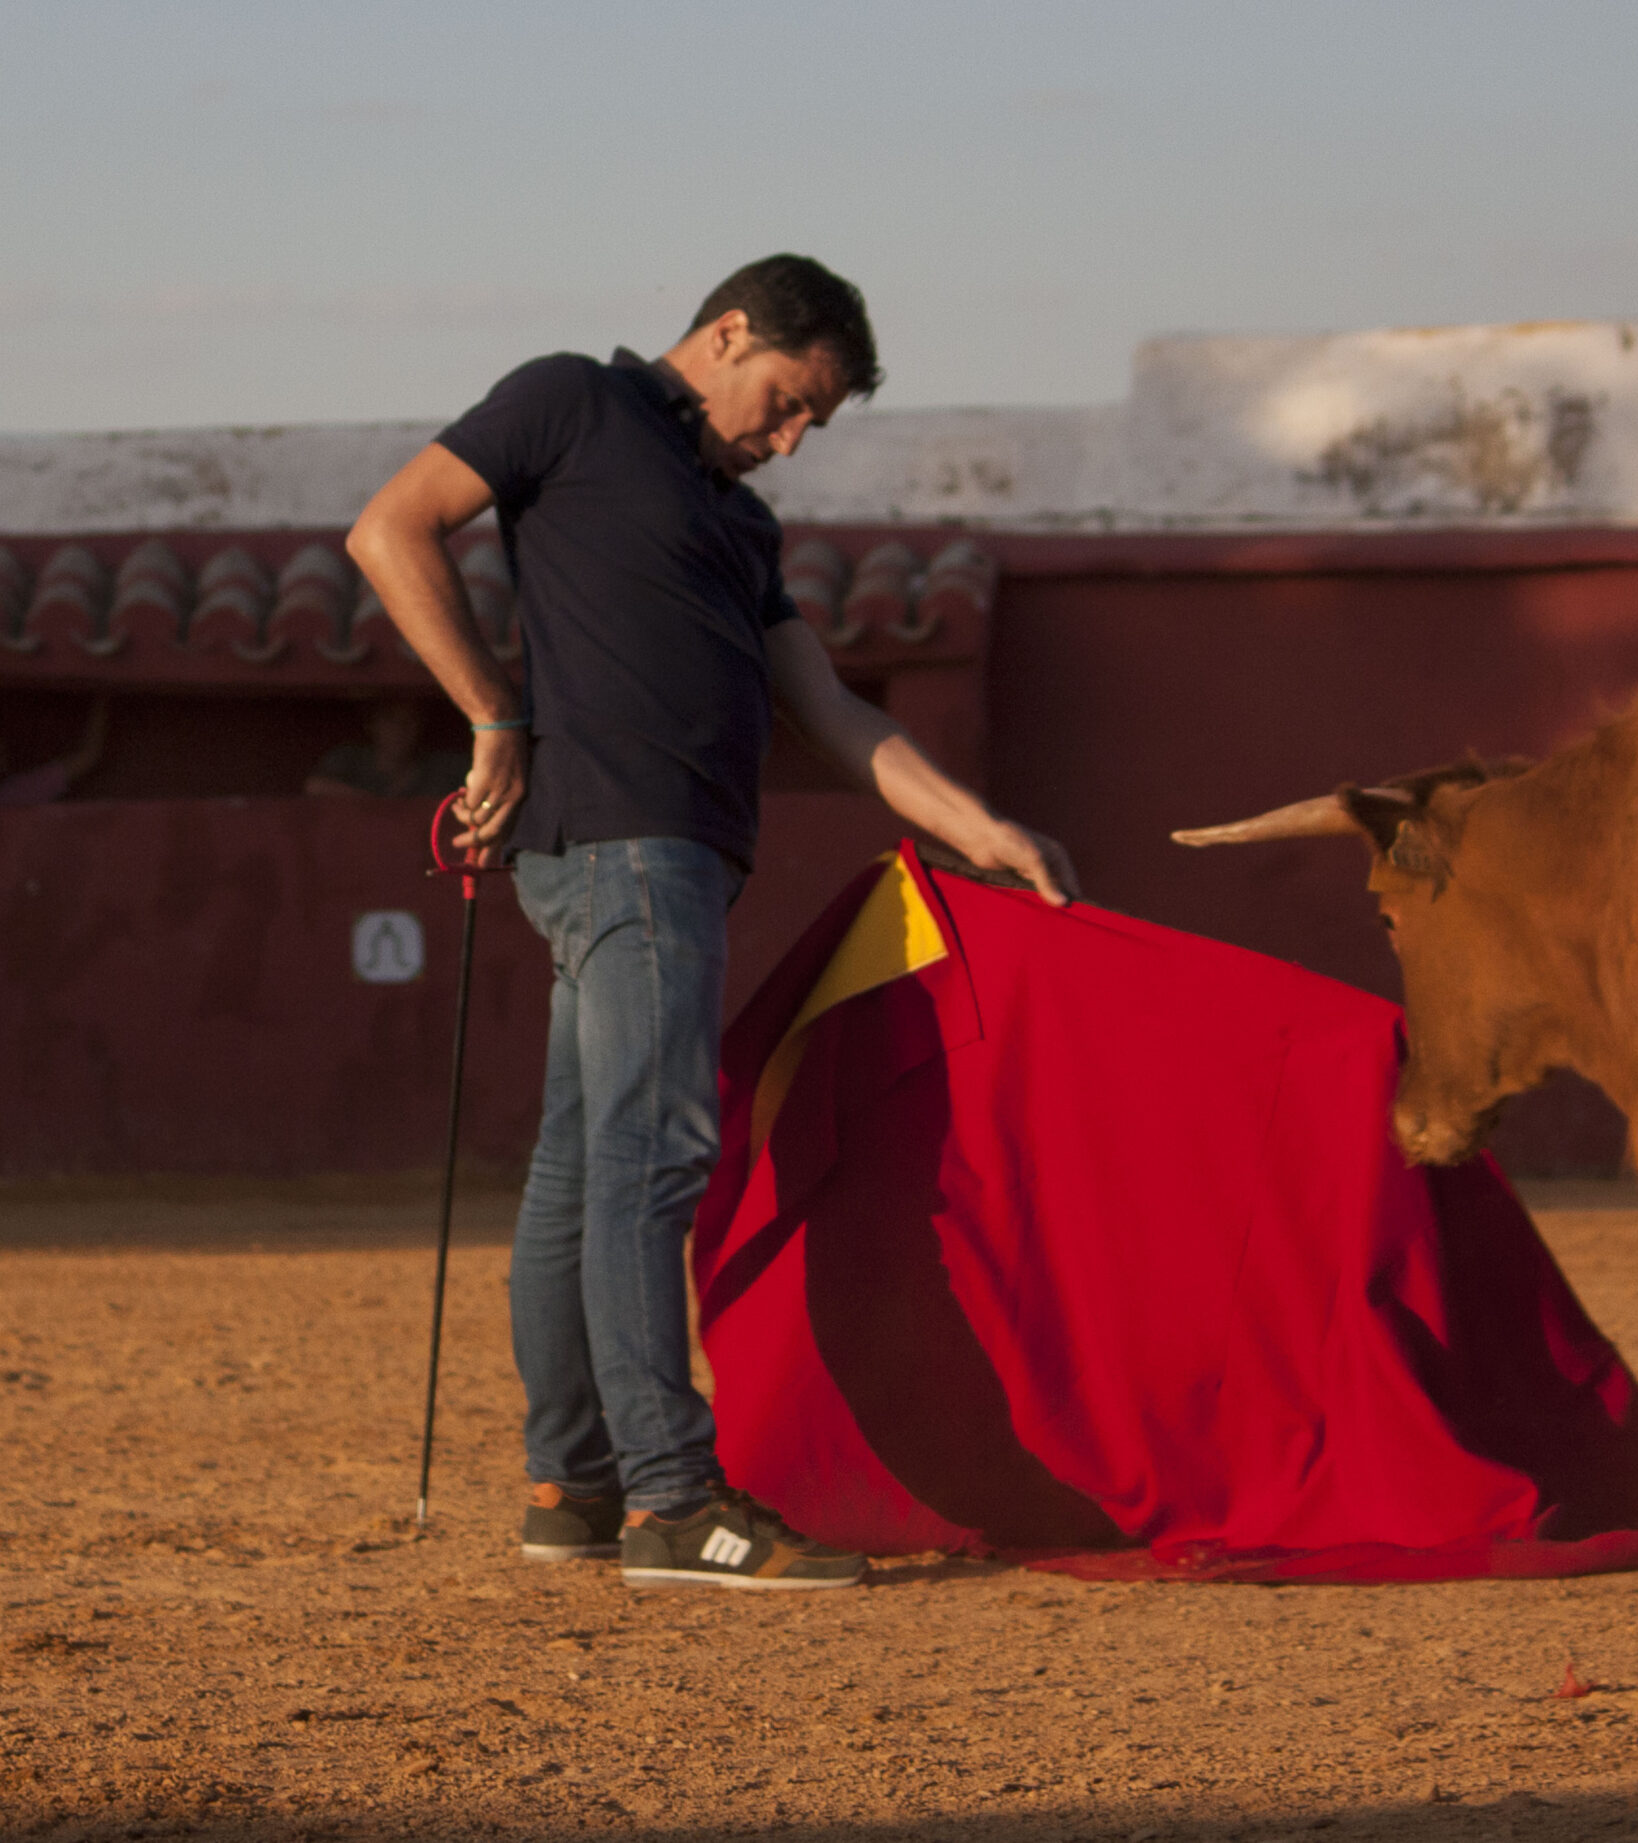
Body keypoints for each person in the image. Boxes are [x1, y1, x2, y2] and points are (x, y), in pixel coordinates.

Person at [348, 254, 1074, 1591]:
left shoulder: (739, 523)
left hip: (653, 857)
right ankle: (675, 1504)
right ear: (728, 332)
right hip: (625, 845)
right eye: (789, 401)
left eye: (816, 424)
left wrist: (977, 829)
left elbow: (839, 714)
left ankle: (577, 1483)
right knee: (650, 1156)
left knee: (586, 1164)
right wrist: (496, 712)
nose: (791, 440)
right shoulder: (572, 403)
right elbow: (391, 527)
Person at [303, 697, 469, 798]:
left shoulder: (443, 767)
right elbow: (315, 787)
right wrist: (375, 804)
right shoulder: (350, 759)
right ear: (372, 724)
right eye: (391, 720)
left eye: (410, 721)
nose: (401, 729)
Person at [0, 698, 108, 806]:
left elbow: (86, 757)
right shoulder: (15, 793)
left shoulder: (16, 792)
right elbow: (86, 757)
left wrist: (101, 699)